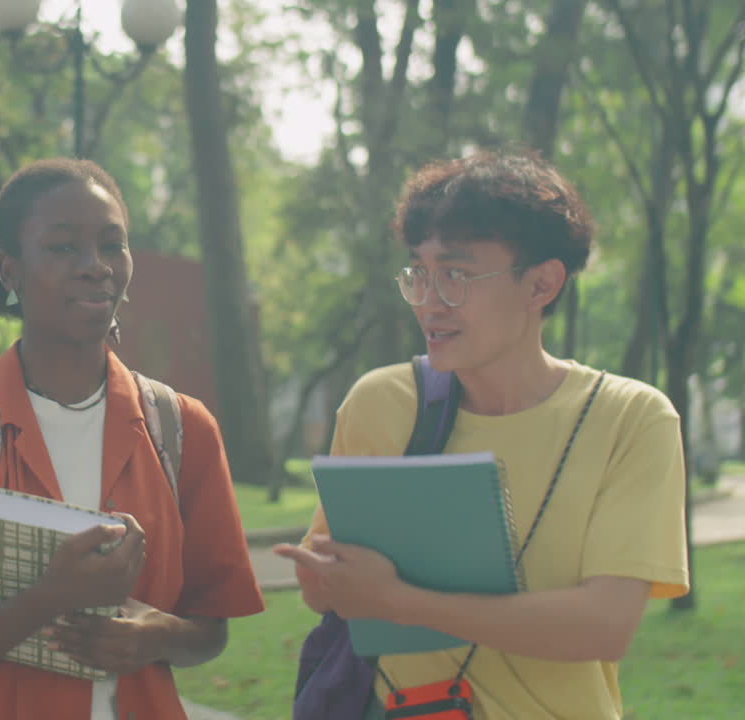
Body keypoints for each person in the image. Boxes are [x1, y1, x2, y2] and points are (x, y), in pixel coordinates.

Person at [274, 151, 689, 719]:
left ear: (541, 283)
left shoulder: (631, 419)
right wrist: (327, 580)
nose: (429, 301)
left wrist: (398, 600)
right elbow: (328, 592)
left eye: (456, 275)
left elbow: (603, 626)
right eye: (419, 273)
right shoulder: (381, 403)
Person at [0, 158, 265, 719]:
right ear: (9, 268)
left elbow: (209, 630)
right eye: (63, 248)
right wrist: (50, 598)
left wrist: (155, 636)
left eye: (113, 245)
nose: (96, 267)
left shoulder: (181, 428)